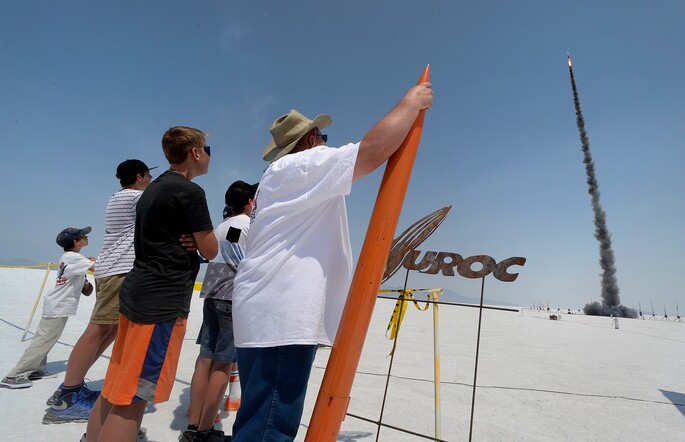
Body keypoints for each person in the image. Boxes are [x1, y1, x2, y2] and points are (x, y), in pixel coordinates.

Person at [230, 81, 433, 440]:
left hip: (268, 311)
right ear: (309, 140)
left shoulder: (280, 178)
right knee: (269, 425)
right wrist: (410, 102)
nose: (326, 143)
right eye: (322, 136)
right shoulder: (301, 166)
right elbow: (371, 151)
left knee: (262, 417)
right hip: (279, 313)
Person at [85, 126, 218, 442]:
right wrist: (196, 240)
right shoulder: (190, 192)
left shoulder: (152, 190)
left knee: (117, 382)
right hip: (161, 303)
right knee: (133, 397)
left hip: (136, 294)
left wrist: (189, 238)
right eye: (208, 150)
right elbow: (211, 249)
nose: (210, 157)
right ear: (195, 153)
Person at [43, 159, 155, 424]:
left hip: (114, 270)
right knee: (97, 329)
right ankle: (67, 398)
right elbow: (164, 200)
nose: (151, 179)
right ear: (139, 176)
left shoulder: (121, 197)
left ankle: (73, 387)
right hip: (118, 271)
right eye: (149, 175)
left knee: (110, 329)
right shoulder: (133, 197)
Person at [181, 180, 257, 442]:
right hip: (231, 296)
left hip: (212, 293)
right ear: (249, 202)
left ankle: (193, 427)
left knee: (205, 359)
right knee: (223, 363)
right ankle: (204, 432)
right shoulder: (249, 226)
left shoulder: (222, 227)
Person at [0, 227, 95, 389]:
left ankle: (37, 369)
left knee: (46, 338)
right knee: (43, 340)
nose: (87, 238)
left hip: (57, 305)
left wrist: (90, 261)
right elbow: (97, 267)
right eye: (83, 236)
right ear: (76, 241)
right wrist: (93, 261)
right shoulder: (74, 258)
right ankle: (14, 375)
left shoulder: (71, 257)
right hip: (59, 306)